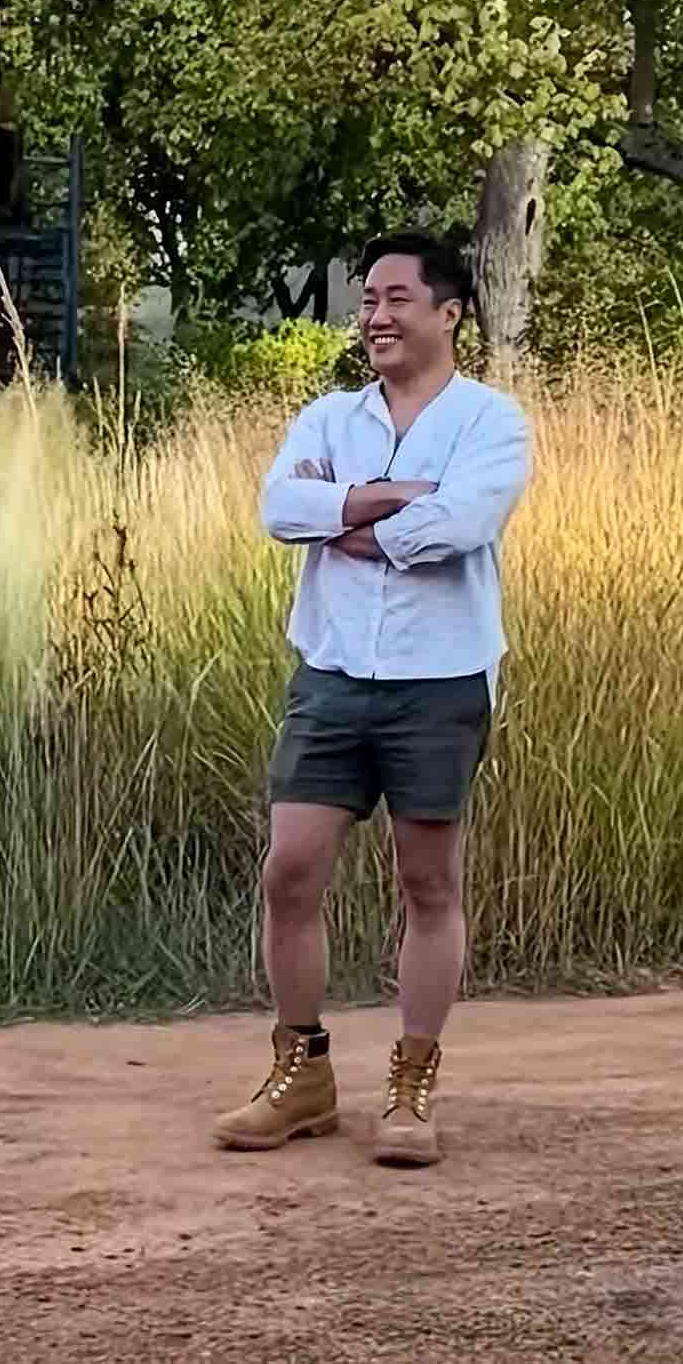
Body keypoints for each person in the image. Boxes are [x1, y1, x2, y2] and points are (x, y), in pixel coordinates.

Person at [212, 231, 533, 1169]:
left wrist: (344, 517)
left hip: (440, 680)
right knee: (290, 869)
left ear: (449, 312)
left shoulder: (490, 422)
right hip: (334, 672)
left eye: (397, 299)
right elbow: (281, 509)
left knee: (427, 882)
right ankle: (302, 1073)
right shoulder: (326, 418)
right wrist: (392, 496)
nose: (377, 316)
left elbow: (463, 523)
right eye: (368, 302)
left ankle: (413, 1080)